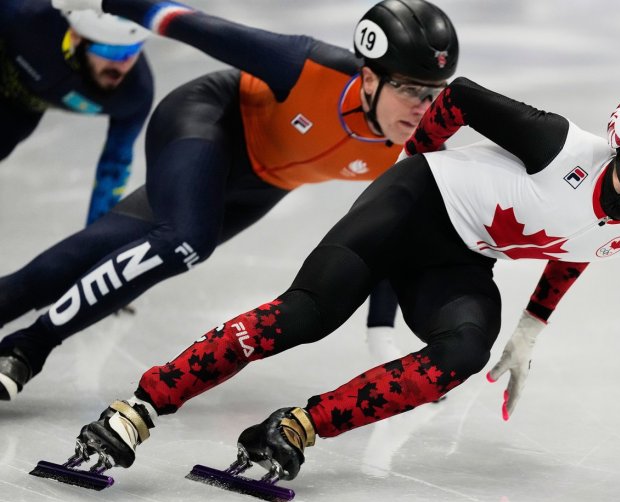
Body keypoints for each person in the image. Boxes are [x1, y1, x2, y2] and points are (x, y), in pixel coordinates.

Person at [68, 79, 620, 482]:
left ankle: (294, 427)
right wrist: (413, 166)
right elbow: (460, 95)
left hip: (460, 257)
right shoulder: (556, 145)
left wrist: (532, 325)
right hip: (411, 203)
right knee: (306, 315)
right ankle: (140, 407)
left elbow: (588, 241)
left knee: (463, 351)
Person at [0, 0, 459, 401]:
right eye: (409, 89)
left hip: (260, 186)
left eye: (434, 93)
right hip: (207, 121)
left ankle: (17, 329)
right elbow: (187, 22)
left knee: (106, 249)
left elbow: (389, 238)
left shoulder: (417, 149)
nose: (424, 108)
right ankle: (27, 348)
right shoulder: (306, 65)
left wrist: (381, 334)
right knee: (186, 241)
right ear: (367, 79)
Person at [0, 0, 153, 225]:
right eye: (110, 50)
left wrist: (95, 248)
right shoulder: (26, 17)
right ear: (75, 37)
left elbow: (113, 169)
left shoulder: (134, 95)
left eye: (132, 50)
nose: (121, 65)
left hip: (16, 115)